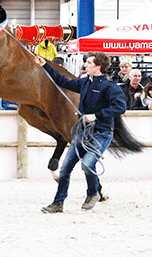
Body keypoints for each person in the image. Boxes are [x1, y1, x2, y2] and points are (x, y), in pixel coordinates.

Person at [35, 51, 127, 213]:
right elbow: (62, 81)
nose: (85, 65)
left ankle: (92, 193)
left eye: (89, 63)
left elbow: (120, 107)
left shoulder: (110, 87)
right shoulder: (84, 83)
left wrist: (96, 116)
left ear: (98, 67)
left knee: (87, 164)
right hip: (83, 132)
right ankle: (58, 203)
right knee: (65, 169)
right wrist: (45, 65)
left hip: (101, 133)